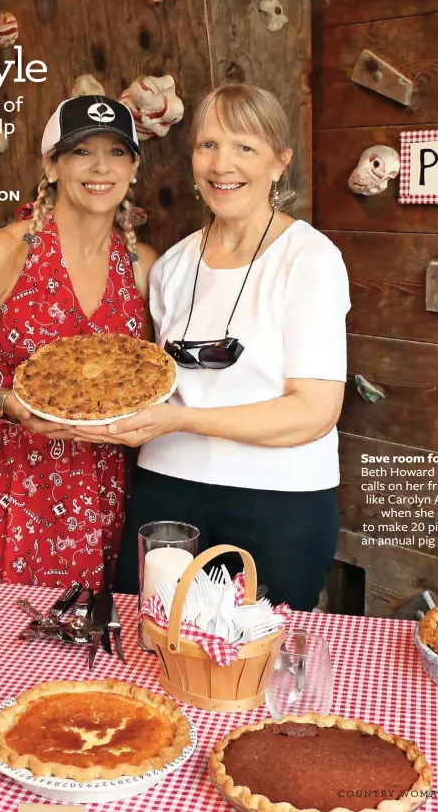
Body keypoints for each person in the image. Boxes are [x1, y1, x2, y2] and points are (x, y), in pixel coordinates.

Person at [75, 84, 350, 610]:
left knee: (250, 660)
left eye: (245, 147)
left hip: (278, 500)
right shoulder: (172, 266)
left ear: (279, 162)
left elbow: (314, 413)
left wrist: (180, 421)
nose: (223, 164)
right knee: (151, 643)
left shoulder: (309, 260)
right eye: (208, 145)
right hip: (166, 490)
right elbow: (153, 383)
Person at [0, 95, 157, 589]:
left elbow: (146, 377)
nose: (101, 167)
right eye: (81, 152)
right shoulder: (0, 253)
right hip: (2, 475)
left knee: (81, 649)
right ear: (51, 165)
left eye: (117, 152)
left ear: (134, 168)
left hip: (98, 480)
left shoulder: (142, 267)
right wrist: (8, 403)